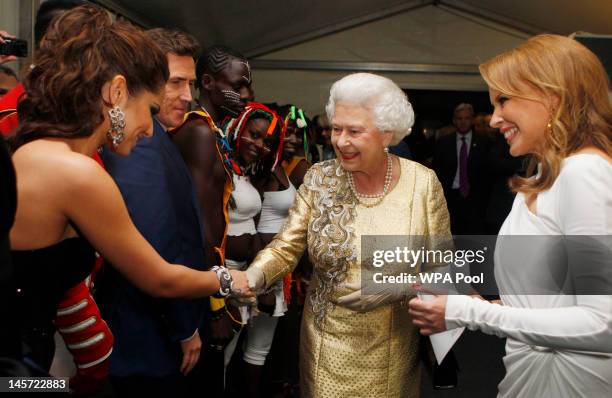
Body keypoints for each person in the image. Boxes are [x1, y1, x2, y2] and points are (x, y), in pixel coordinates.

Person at [8, 5, 251, 376]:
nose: (151, 130)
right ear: (117, 92)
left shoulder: (38, 150)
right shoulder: (77, 174)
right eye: (149, 109)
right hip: (20, 373)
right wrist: (228, 280)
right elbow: (160, 277)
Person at [409, 34, 612, 397]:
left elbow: (603, 322)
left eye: (503, 100)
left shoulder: (584, 173)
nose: (496, 118)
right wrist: (479, 305)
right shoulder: (543, 176)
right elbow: (553, 300)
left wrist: (475, 315)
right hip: (530, 368)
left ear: (553, 96)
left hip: (569, 381)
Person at [239, 73, 451, 397]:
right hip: (326, 340)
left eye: (354, 131)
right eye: (336, 128)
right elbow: (286, 246)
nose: (340, 141)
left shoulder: (422, 184)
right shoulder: (319, 178)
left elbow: (443, 268)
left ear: (386, 133)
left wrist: (394, 287)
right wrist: (254, 275)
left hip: (392, 345)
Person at [96, 28, 204, 397]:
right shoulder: (138, 145)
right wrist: (184, 327)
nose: (187, 96)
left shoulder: (154, 135)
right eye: (176, 82)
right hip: (144, 335)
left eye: (190, 84)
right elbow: (153, 241)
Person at [170, 44, 253, 396]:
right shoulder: (200, 133)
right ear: (208, 82)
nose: (247, 95)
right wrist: (216, 304)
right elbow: (201, 226)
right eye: (239, 85)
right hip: (201, 287)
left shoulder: (214, 132)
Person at [221, 102, 285, 396]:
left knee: (241, 353)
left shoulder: (246, 172)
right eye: (254, 135)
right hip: (224, 276)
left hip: (248, 275)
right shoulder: (219, 163)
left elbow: (255, 228)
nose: (259, 145)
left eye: (266, 141)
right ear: (238, 127)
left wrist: (264, 280)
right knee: (220, 353)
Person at [432, 103, 492, 234]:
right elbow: (437, 171)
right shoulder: (444, 143)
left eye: (467, 118)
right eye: (459, 118)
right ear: (454, 120)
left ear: (472, 119)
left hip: (475, 198)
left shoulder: (484, 142)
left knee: (473, 238)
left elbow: (488, 172)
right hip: (450, 197)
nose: (463, 122)